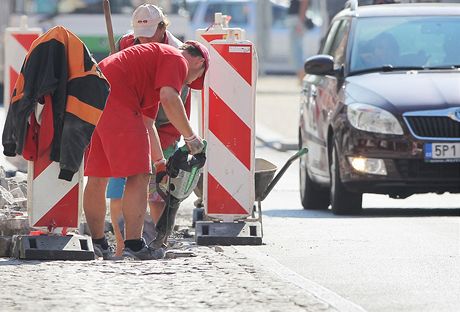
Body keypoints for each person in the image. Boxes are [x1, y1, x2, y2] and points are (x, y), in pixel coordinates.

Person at [83, 40, 209, 260]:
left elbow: (147, 124)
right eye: (197, 77)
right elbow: (170, 98)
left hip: (96, 95)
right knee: (139, 175)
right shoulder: (176, 59)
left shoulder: (152, 68)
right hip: (118, 97)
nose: (191, 82)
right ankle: (133, 245)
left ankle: (98, 243)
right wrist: (191, 138)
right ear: (199, 61)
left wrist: (160, 164)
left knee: (98, 176)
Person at [106, 3, 193, 257]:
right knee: (124, 181)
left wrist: (181, 136)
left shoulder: (177, 52)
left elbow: (173, 99)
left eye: (150, 34)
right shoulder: (127, 42)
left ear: (163, 28)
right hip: (132, 117)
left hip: (163, 124)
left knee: (157, 186)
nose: (143, 40)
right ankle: (123, 244)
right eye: (139, 35)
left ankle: (158, 240)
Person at [287, 0, 309, 83]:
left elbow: (304, 2)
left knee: (297, 51)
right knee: (295, 51)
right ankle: (300, 77)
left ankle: (302, 77)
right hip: (295, 20)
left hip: (296, 21)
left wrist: (300, 22)